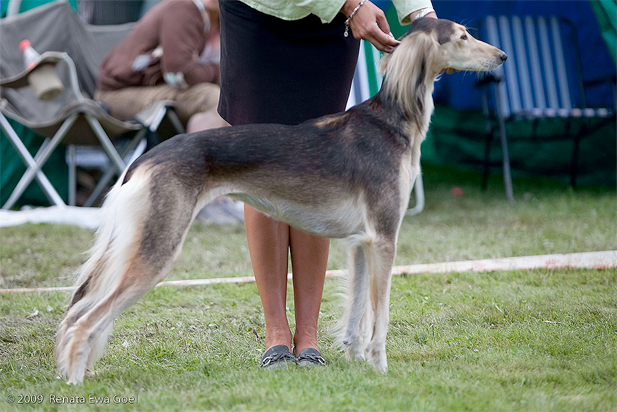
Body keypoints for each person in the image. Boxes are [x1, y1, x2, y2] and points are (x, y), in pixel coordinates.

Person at [217, 0, 437, 368]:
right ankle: (276, 334)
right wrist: (352, 5)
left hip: (330, 27)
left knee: (317, 173)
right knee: (261, 170)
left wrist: (422, 14)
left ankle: (309, 337)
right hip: (258, 15)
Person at [94, 0, 226, 132]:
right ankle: (200, 152)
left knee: (231, 97)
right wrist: (221, 71)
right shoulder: (184, 8)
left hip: (151, 88)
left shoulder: (220, 20)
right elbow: (179, 75)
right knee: (214, 98)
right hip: (117, 95)